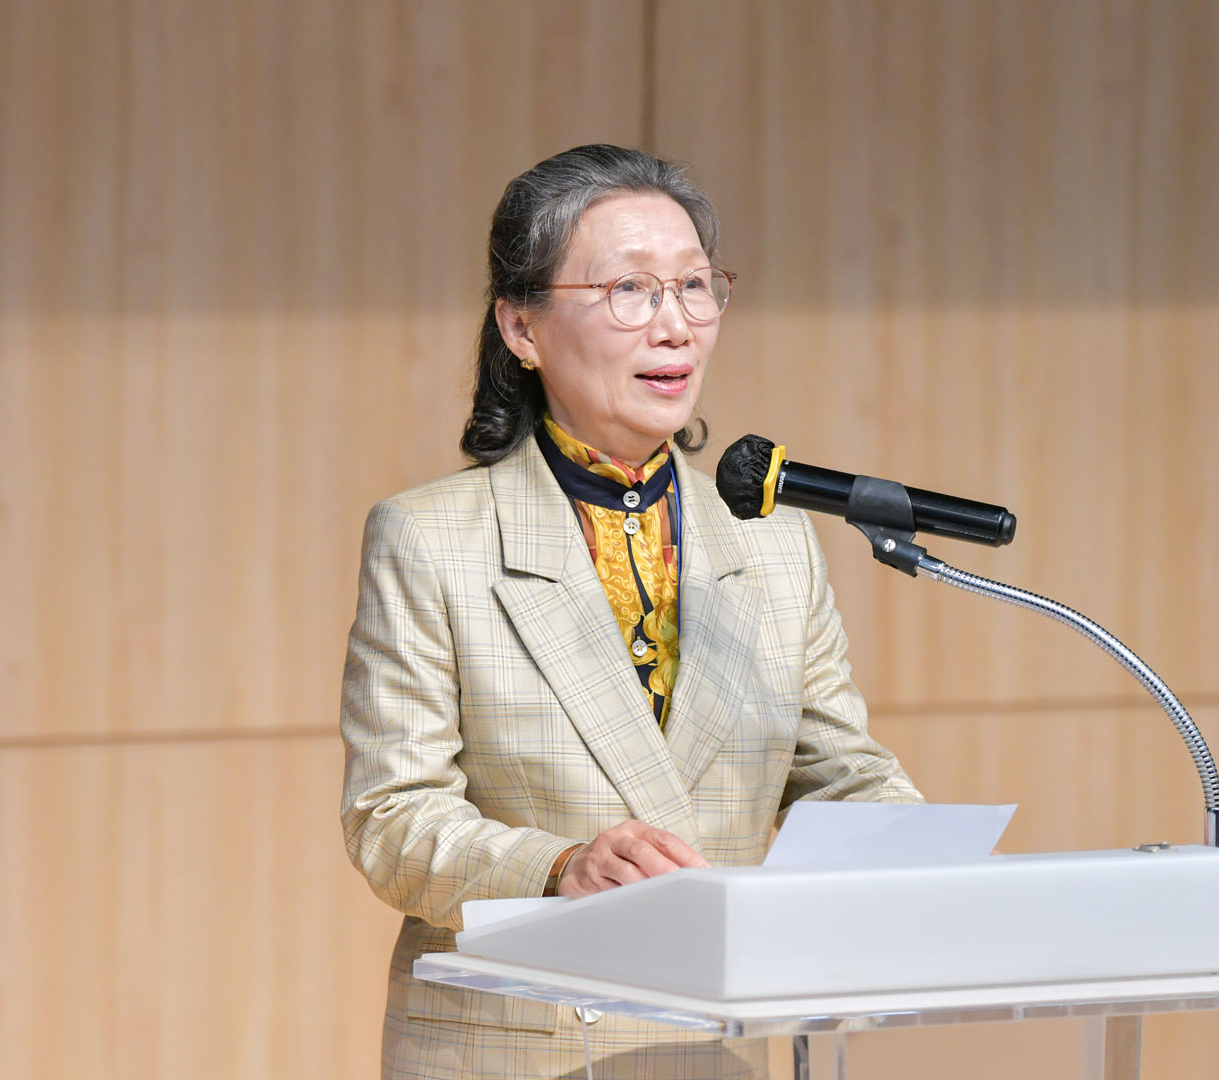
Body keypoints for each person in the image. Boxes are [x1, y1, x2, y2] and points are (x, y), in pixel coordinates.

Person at [340, 144, 922, 1080]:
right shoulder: (431, 539)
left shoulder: (774, 542)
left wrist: (928, 856)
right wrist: (559, 866)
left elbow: (839, 773)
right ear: (521, 326)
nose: (677, 325)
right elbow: (392, 819)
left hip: (714, 1042)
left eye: (694, 286)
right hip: (517, 1049)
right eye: (629, 290)